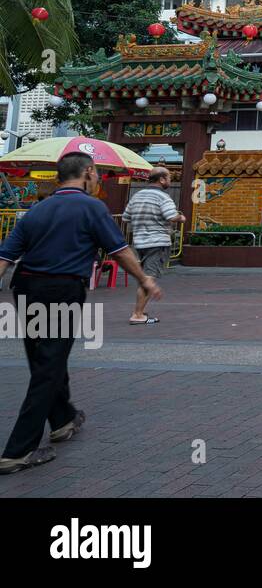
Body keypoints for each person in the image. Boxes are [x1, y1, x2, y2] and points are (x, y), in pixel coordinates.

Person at [0, 153, 162, 475]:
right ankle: (18, 451)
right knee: (49, 366)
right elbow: (120, 250)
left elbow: (5, 257)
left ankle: (62, 420)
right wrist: (144, 279)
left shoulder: (36, 210)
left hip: (27, 289)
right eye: (97, 174)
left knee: (45, 358)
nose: (99, 179)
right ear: (88, 172)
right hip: (61, 289)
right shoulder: (91, 207)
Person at [122, 167, 184, 325]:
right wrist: (181, 217)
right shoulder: (163, 197)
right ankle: (137, 314)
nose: (170, 180)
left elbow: (126, 217)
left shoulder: (137, 196)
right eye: (169, 177)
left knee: (144, 277)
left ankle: (140, 311)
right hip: (157, 242)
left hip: (139, 243)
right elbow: (171, 216)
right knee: (149, 277)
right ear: (162, 179)